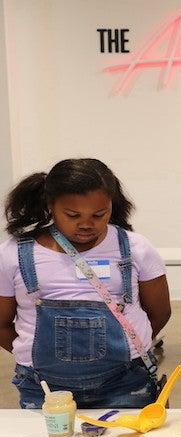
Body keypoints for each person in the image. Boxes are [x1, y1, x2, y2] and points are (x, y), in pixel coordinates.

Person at [0, 159, 170, 408]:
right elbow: (1, 324)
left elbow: (160, 312)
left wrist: (132, 348)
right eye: (73, 215)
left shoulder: (136, 249)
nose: (87, 224)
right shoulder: (12, 254)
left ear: (111, 205)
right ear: (51, 206)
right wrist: (28, 355)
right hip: (44, 389)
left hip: (126, 384)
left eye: (99, 214)